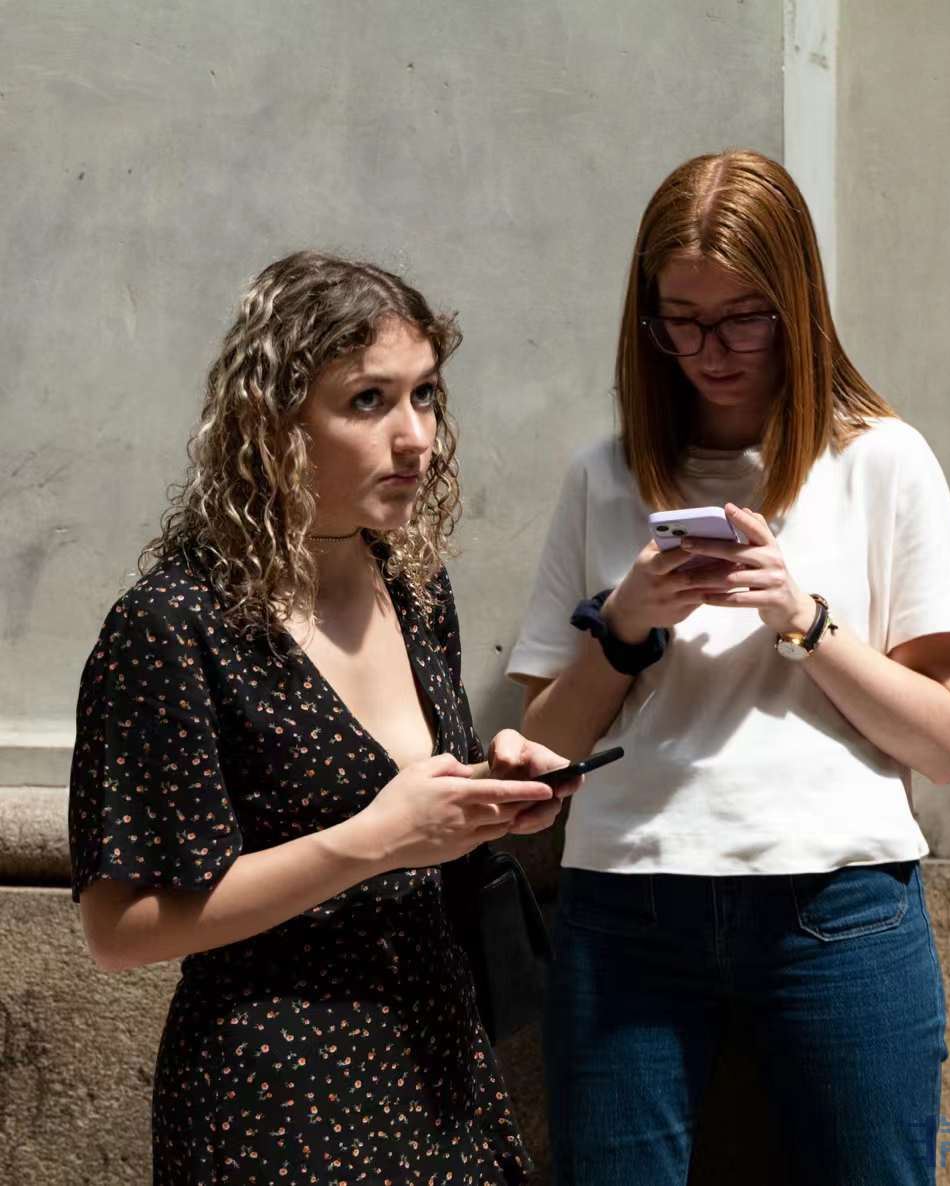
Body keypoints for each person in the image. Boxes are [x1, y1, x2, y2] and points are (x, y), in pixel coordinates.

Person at [507, 151, 950, 1186]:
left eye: (743, 320)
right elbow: (539, 755)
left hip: (840, 905)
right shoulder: (603, 476)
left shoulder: (884, 461)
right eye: (680, 320)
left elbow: (947, 743)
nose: (710, 352)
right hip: (627, 903)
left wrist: (804, 621)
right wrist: (625, 625)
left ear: (797, 307)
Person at [69, 251, 578, 1186]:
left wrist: (487, 789)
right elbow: (120, 929)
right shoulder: (177, 625)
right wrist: (376, 841)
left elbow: (408, 811)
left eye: (425, 396)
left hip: (438, 1067)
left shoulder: (414, 587)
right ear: (274, 423)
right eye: (368, 401)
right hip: (277, 1098)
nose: (414, 437)